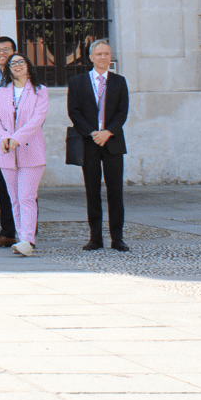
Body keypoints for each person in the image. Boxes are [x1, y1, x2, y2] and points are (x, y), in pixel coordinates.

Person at [67, 39, 130, 252]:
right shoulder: (77, 82)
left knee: (115, 192)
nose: (104, 57)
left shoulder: (119, 82)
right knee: (92, 191)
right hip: (90, 143)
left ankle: (117, 238)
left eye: (107, 54)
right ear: (91, 57)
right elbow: (74, 111)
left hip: (113, 143)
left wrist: (108, 132)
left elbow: (122, 112)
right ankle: (95, 237)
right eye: (99, 54)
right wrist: (93, 133)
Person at [0, 53, 50, 257]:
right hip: (7, 152)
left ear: (28, 66)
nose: (17, 66)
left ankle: (28, 240)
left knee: (27, 196)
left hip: (31, 151)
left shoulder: (39, 91)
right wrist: (4, 136)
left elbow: (37, 119)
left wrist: (16, 138)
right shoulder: (1, 93)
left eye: (20, 62)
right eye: (12, 63)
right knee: (14, 198)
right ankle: (21, 236)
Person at [0, 36, 20, 247]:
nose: (2, 53)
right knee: (3, 184)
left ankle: (27, 229)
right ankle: (8, 230)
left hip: (20, 139)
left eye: (6, 49)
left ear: (14, 52)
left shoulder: (23, 77)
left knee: (25, 185)